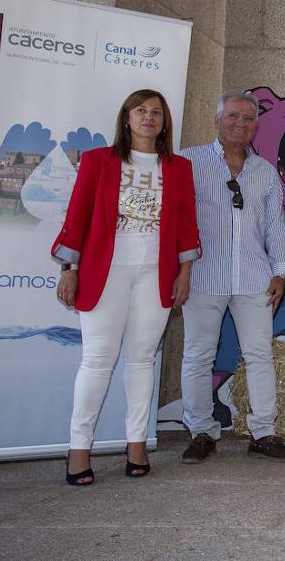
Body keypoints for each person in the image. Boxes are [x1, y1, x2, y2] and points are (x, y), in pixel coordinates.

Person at [51, 89, 201, 485]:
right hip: (106, 271)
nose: (148, 117)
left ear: (164, 121)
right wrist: (70, 267)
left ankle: (136, 443)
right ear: (127, 117)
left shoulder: (179, 168)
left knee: (142, 359)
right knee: (98, 360)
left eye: (156, 112)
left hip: (157, 273)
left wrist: (185, 273)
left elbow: (187, 224)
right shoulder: (98, 161)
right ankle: (78, 448)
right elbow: (77, 215)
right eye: (141, 111)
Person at [179, 90, 285, 464]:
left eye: (248, 118)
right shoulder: (188, 162)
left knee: (260, 355)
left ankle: (263, 432)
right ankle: (201, 432)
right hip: (201, 275)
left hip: (254, 278)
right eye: (233, 116)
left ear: (256, 125)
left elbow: (277, 227)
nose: (240, 124)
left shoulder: (264, 171)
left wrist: (281, 272)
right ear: (217, 119)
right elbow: (174, 222)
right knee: (198, 356)